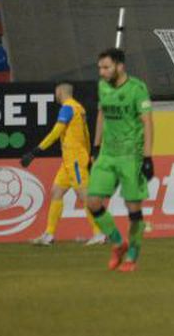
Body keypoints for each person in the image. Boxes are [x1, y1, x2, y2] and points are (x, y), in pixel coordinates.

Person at [86, 49, 153, 272]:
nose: (102, 72)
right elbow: (101, 116)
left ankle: (133, 254)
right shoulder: (102, 86)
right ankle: (117, 243)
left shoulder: (137, 88)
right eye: (100, 68)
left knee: (133, 208)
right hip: (107, 154)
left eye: (106, 67)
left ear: (120, 66)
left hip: (130, 155)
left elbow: (147, 123)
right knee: (93, 201)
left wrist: (147, 157)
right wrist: (95, 148)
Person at [21, 83, 104, 246]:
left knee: (84, 196)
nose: (55, 95)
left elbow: (56, 131)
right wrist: (89, 153)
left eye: (56, 92)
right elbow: (86, 133)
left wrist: (36, 151)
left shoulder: (67, 108)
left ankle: (99, 233)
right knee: (56, 192)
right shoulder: (79, 108)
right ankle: (49, 235)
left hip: (74, 159)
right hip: (71, 159)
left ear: (60, 92)